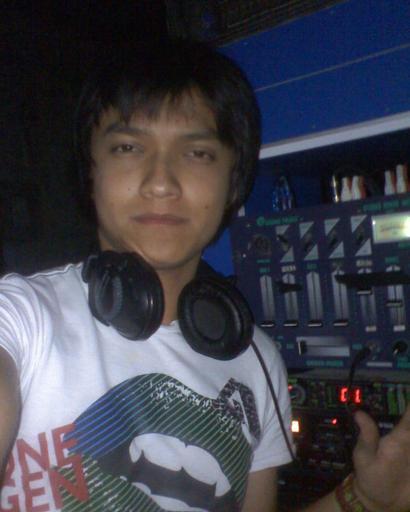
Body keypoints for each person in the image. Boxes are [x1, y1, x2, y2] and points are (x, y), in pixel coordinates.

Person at [0, 39, 409, 512]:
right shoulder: (23, 318)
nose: (161, 182)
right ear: (89, 173)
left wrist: (362, 500)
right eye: (127, 147)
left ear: (233, 183)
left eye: (197, 153)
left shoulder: (256, 361)